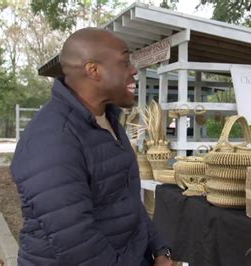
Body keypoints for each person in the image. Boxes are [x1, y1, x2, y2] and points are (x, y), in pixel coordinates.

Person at [10, 28, 172, 266]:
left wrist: (160, 250)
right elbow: (78, 244)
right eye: (125, 62)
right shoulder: (53, 139)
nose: (134, 70)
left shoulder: (109, 122)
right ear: (93, 70)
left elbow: (127, 203)